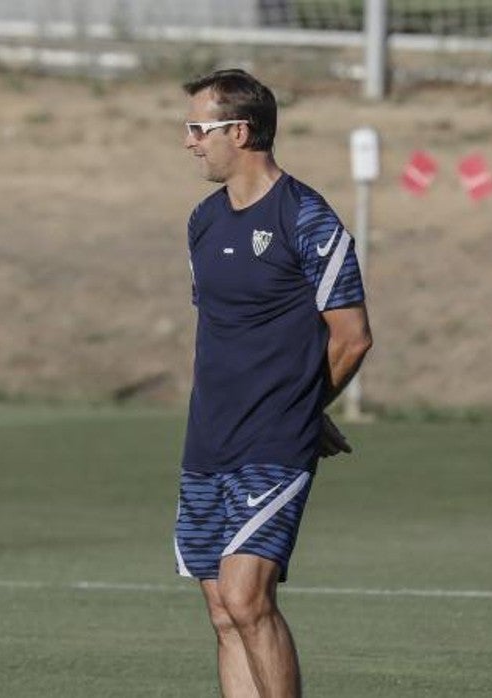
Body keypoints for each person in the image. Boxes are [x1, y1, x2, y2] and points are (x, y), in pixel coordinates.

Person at [173, 68, 372, 698]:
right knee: (222, 611)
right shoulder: (203, 221)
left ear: (240, 131)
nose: (189, 142)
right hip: (208, 439)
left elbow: (352, 337)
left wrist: (303, 408)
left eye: (199, 128)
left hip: (273, 442)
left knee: (247, 598)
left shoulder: (306, 217)